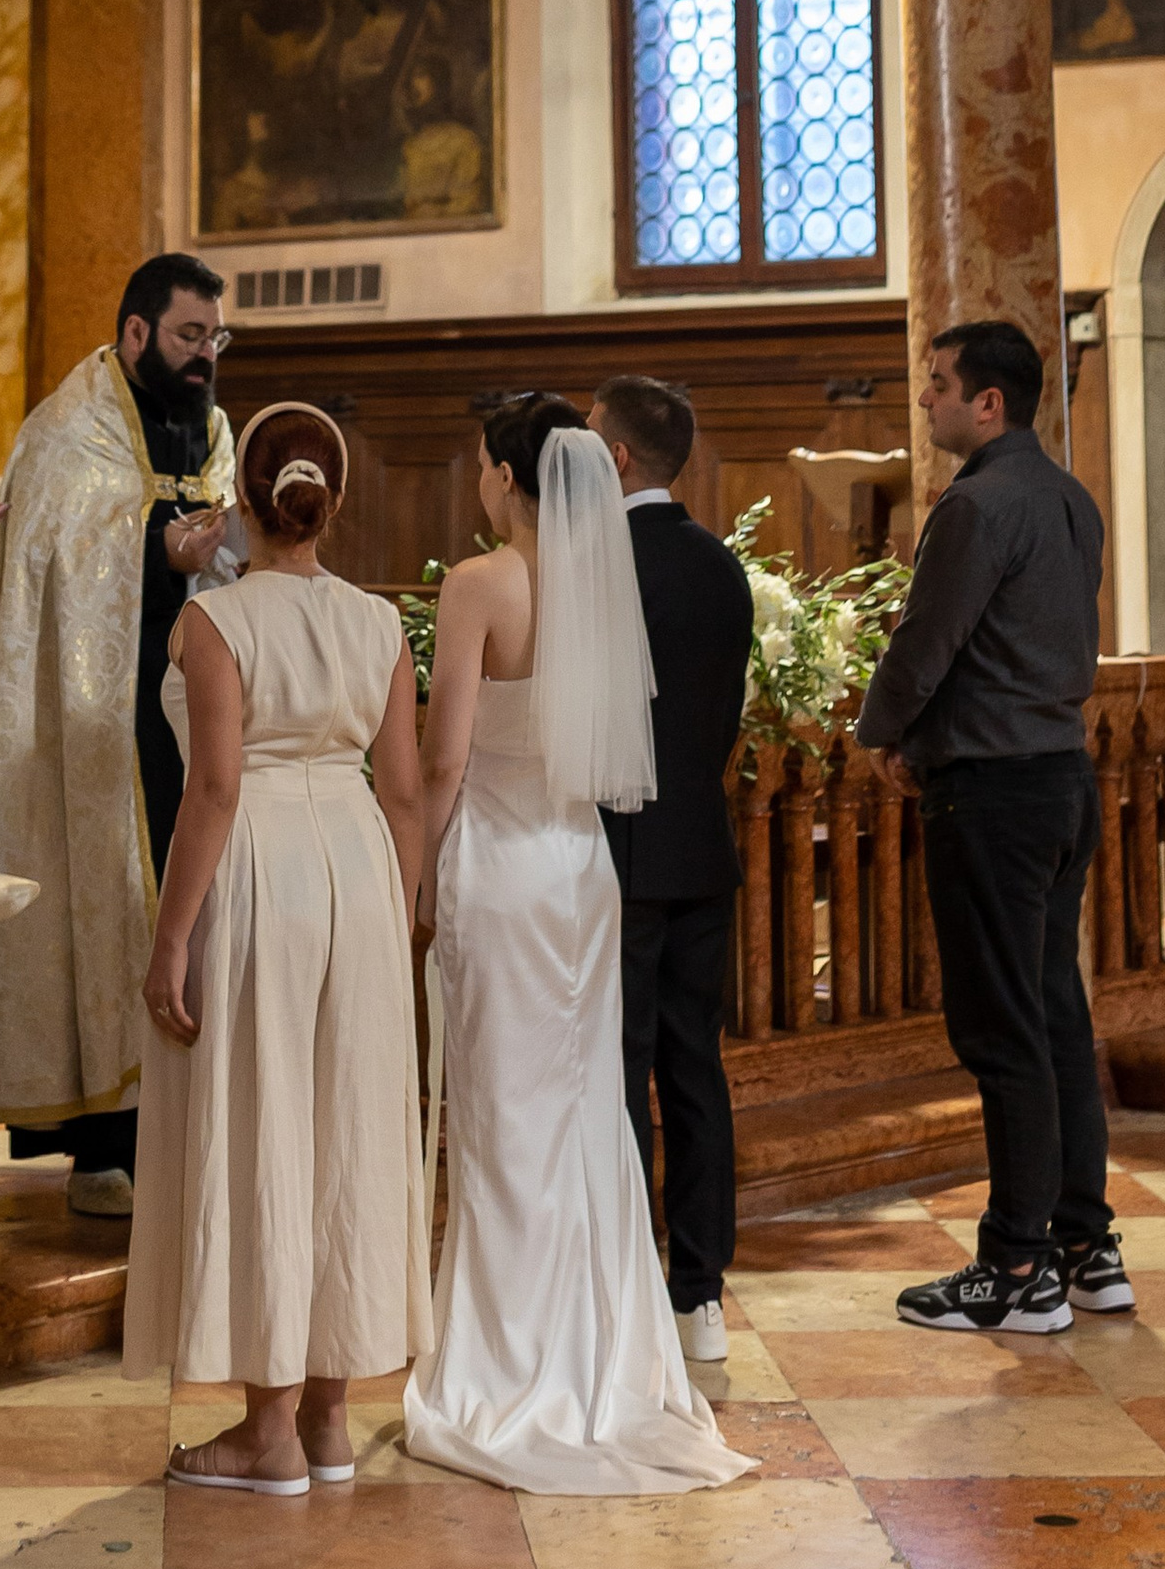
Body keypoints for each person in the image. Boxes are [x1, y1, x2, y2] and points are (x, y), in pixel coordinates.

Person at [403, 392, 753, 1495]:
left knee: (504, 1121)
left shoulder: (480, 584)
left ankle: (508, 1364)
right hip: (582, 871)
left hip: (502, 874)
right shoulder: (604, 588)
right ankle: (602, 1355)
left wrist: (411, 874)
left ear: (507, 477)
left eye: (476, 466)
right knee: (584, 1117)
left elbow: (445, 760)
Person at [125, 401, 429, 1492]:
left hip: (256, 866)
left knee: (265, 1122)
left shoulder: (216, 619)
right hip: (354, 865)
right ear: (331, 504)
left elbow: (211, 788)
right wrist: (393, 921)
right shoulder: (379, 621)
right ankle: (330, 1424)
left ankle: (264, 1433)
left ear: (243, 503)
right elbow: (403, 792)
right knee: (342, 1126)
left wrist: (171, 937)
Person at [852, 318, 1123, 1337]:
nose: (924, 400)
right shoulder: (1068, 497)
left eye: (935, 386)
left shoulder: (974, 507)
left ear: (987, 404)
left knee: (1001, 1028)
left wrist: (877, 730)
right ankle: (1083, 1247)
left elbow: (929, 643)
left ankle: (1014, 1265)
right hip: (1060, 779)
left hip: (993, 793)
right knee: (1053, 1019)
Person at [0, 252, 239, 1215]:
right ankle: (103, 1149)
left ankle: (187, 1118)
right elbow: (63, 549)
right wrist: (159, 546)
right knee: (106, 901)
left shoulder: (214, 425)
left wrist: (208, 552)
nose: (204, 356)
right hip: (94, 728)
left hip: (189, 715)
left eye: (215, 338)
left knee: (188, 899)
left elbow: (227, 533)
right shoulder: (66, 428)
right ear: (135, 333)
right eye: (189, 335)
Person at [589, 373, 753, 1371]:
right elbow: (720, 719)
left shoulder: (597, 570)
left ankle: (619, 1286)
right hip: (702, 845)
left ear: (613, 459)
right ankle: (699, 1296)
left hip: (618, 852)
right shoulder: (720, 566)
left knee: (614, 1075)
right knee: (695, 1074)